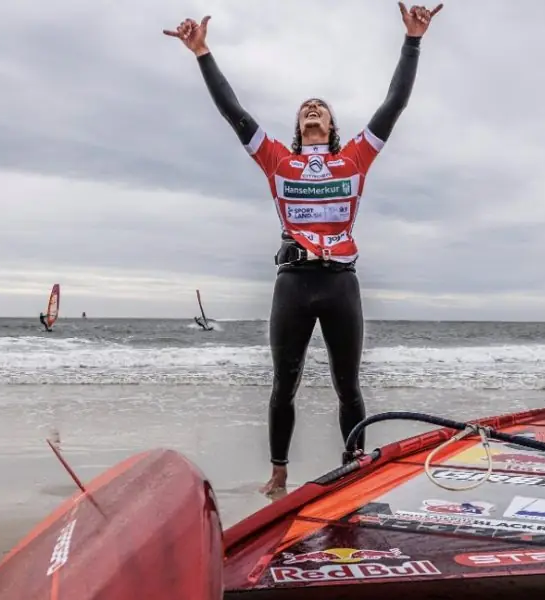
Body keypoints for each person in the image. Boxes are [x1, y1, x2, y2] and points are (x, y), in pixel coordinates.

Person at [164, 2, 442, 497]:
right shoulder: (278, 160)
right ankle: (278, 474)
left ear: (332, 125)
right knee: (283, 383)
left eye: (321, 107)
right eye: (305, 107)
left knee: (347, 385)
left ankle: (353, 467)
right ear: (299, 125)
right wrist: (202, 53)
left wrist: (412, 42)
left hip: (340, 283)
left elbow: (394, 104)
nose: (313, 109)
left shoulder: (355, 156)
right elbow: (234, 112)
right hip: (292, 283)